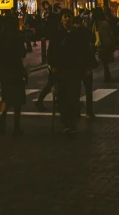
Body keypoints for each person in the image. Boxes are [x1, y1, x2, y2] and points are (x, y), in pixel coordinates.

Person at [49, 9, 90, 137]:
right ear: (61, 19)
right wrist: (52, 66)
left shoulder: (77, 34)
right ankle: (67, 124)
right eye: (65, 17)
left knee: (73, 97)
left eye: (70, 17)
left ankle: (71, 122)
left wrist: (86, 68)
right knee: (63, 98)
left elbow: (84, 51)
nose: (68, 19)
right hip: (61, 71)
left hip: (75, 71)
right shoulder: (57, 35)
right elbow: (51, 53)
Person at [0, 15, 28, 135]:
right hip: (16, 69)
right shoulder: (18, 36)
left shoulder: (0, 36)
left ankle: (2, 118)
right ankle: (16, 126)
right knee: (18, 99)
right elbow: (23, 54)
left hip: (4, 70)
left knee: (6, 96)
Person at [92, 8, 114, 82]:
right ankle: (107, 75)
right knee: (105, 62)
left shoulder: (98, 23)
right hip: (106, 43)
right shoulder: (104, 22)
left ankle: (107, 76)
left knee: (104, 61)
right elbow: (110, 33)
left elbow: (95, 34)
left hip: (102, 44)